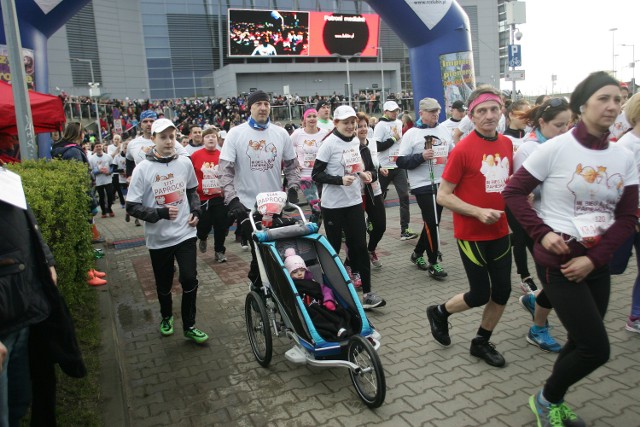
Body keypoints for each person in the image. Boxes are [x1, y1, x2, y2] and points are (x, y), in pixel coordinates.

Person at [503, 71, 638, 427]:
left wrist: (594, 260)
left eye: (618, 99)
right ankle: (545, 401)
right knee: (596, 348)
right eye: (603, 98)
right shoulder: (555, 148)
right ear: (582, 105)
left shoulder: (623, 156)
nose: (612, 106)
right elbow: (513, 193)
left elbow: (627, 218)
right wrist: (541, 233)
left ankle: (551, 400)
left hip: (596, 264)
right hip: (559, 265)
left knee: (581, 341)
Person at [426, 85, 513, 368]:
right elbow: (443, 196)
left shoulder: (507, 144)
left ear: (501, 112)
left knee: (502, 292)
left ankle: (481, 342)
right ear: (472, 116)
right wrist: (477, 212)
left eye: (494, 109)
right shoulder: (463, 149)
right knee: (480, 294)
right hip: (472, 235)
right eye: (482, 111)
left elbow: (502, 184)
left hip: (501, 231)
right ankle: (439, 311)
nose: (489, 116)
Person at [126, 118, 209, 344]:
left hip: (185, 233)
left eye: (172, 137)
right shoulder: (143, 168)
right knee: (163, 284)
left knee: (190, 278)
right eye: (163, 137)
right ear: (153, 139)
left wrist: (196, 211)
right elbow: (131, 206)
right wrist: (159, 213)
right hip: (158, 239)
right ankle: (166, 317)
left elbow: (192, 190)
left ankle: (190, 325)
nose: (169, 141)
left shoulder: (184, 162)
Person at [219, 90, 301, 291]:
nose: (263, 107)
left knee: (275, 248)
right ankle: (260, 287)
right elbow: (225, 170)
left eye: (266, 103)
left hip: (275, 203)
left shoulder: (280, 133)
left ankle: (262, 284)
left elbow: (292, 165)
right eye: (258, 104)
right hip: (247, 206)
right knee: (261, 249)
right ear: (250, 107)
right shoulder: (236, 133)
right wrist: (232, 199)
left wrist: (293, 187)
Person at [510, 97, 572, 353]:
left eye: (568, 124)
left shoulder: (565, 144)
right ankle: (538, 329)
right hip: (539, 224)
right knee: (555, 281)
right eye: (559, 125)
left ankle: (534, 301)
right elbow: (519, 191)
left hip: (565, 221)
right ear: (542, 122)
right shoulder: (529, 149)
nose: (564, 130)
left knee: (561, 280)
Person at [312, 105, 386, 309]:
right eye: (346, 122)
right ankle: (331, 292)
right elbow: (316, 175)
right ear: (336, 123)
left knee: (360, 247)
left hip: (353, 202)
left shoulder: (355, 140)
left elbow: (355, 166)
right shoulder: (328, 144)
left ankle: (368, 294)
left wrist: (363, 174)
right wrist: (338, 180)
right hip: (333, 205)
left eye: (352, 122)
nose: (350, 126)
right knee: (334, 248)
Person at [0, 174, 55, 427]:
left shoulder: (6, 178)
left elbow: (29, 226)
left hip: (22, 309)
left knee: (20, 401)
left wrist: (47, 262)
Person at [397, 97, 454, 280]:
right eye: (431, 111)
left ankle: (417, 253)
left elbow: (453, 153)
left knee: (432, 222)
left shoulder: (443, 129)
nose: (435, 114)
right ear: (421, 113)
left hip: (442, 183)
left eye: (437, 111)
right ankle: (433, 261)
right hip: (423, 184)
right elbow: (401, 161)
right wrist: (421, 156)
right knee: (432, 221)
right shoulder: (411, 133)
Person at [610, 92, 640, 334]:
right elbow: (615, 186)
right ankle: (549, 298)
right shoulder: (626, 145)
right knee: (612, 266)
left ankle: (636, 314)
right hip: (630, 217)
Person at [126, 110, 188, 226]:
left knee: (167, 215)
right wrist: (129, 175)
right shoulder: (133, 144)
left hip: (165, 183)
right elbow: (129, 160)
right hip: (144, 184)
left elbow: (186, 158)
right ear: (140, 124)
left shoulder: (171, 141)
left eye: (152, 121)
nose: (149, 124)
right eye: (145, 121)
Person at [284, 248, 352, 340]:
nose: (299, 274)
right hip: (308, 310)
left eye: (302, 270)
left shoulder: (311, 281)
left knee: (335, 313)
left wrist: (328, 300)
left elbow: (325, 290)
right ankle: (335, 331)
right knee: (318, 319)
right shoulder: (291, 286)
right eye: (295, 272)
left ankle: (340, 328)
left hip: (320, 304)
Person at [374, 100, 417, 240]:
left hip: (398, 166)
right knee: (378, 198)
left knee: (404, 196)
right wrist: (394, 138)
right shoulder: (380, 126)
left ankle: (405, 229)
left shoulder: (399, 123)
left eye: (396, 110)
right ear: (385, 111)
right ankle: (372, 223)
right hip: (384, 167)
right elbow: (377, 147)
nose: (395, 113)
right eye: (392, 111)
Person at [190, 127, 228, 262]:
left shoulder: (223, 155)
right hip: (202, 198)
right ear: (203, 140)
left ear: (217, 139)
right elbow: (189, 176)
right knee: (203, 225)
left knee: (221, 225)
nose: (210, 138)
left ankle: (219, 251)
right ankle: (203, 237)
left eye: (213, 136)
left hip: (219, 197)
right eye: (207, 137)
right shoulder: (195, 155)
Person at [356, 112, 387, 269]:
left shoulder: (372, 143)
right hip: (357, 193)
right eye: (359, 126)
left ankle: (371, 249)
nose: (363, 129)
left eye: (365, 126)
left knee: (381, 225)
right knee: (358, 231)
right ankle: (355, 264)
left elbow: (374, 163)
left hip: (374, 190)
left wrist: (380, 169)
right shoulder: (350, 146)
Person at [291, 108, 329, 225]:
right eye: (309, 116)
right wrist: (295, 163)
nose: (312, 119)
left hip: (322, 175)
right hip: (305, 177)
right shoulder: (298, 133)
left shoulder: (324, 133)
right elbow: (287, 149)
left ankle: (314, 232)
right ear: (304, 119)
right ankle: (312, 233)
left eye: (314, 116)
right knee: (316, 208)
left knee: (325, 208)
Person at [89, 142, 115, 218]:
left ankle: (109, 208)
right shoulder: (92, 158)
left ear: (102, 147)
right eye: (97, 146)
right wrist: (98, 171)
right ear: (95, 148)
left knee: (110, 195)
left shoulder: (108, 156)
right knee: (101, 196)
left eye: (100, 146)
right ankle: (103, 211)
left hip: (108, 179)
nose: (99, 148)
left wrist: (109, 171)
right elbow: (90, 170)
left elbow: (112, 166)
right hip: (98, 181)